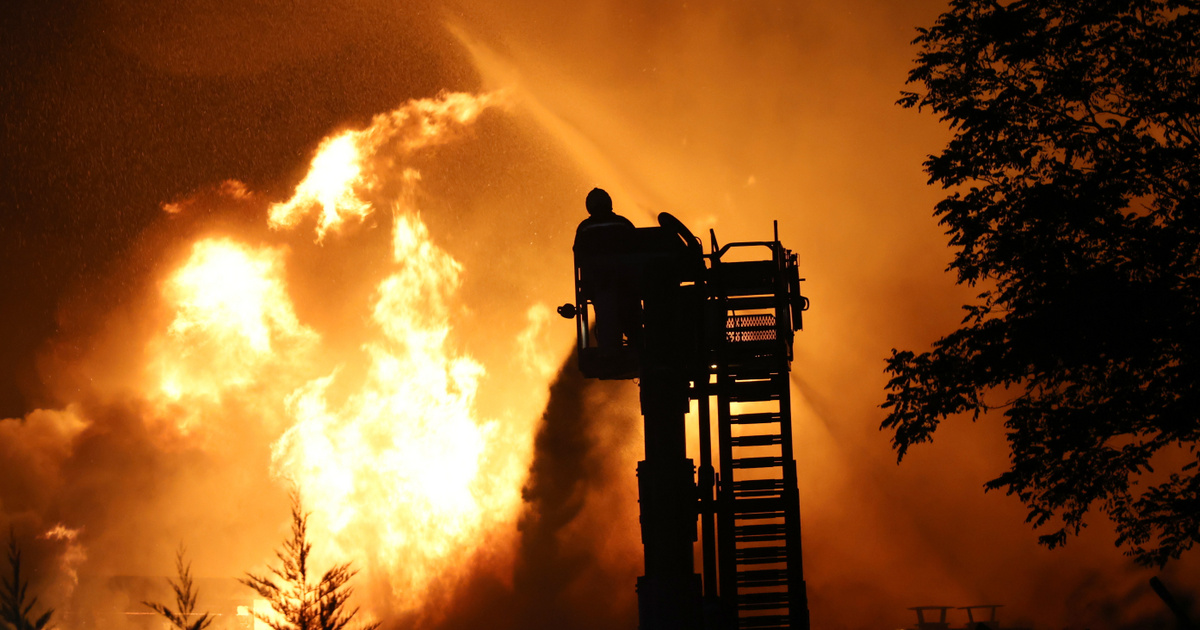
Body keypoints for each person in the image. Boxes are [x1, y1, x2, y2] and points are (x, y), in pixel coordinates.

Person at [573, 188, 641, 349]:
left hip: (598, 287)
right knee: (632, 321)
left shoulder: (584, 228)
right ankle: (637, 345)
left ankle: (610, 351)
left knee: (606, 322)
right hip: (628, 284)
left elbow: (578, 255)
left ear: (589, 206)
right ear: (609, 203)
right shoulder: (623, 224)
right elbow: (638, 247)